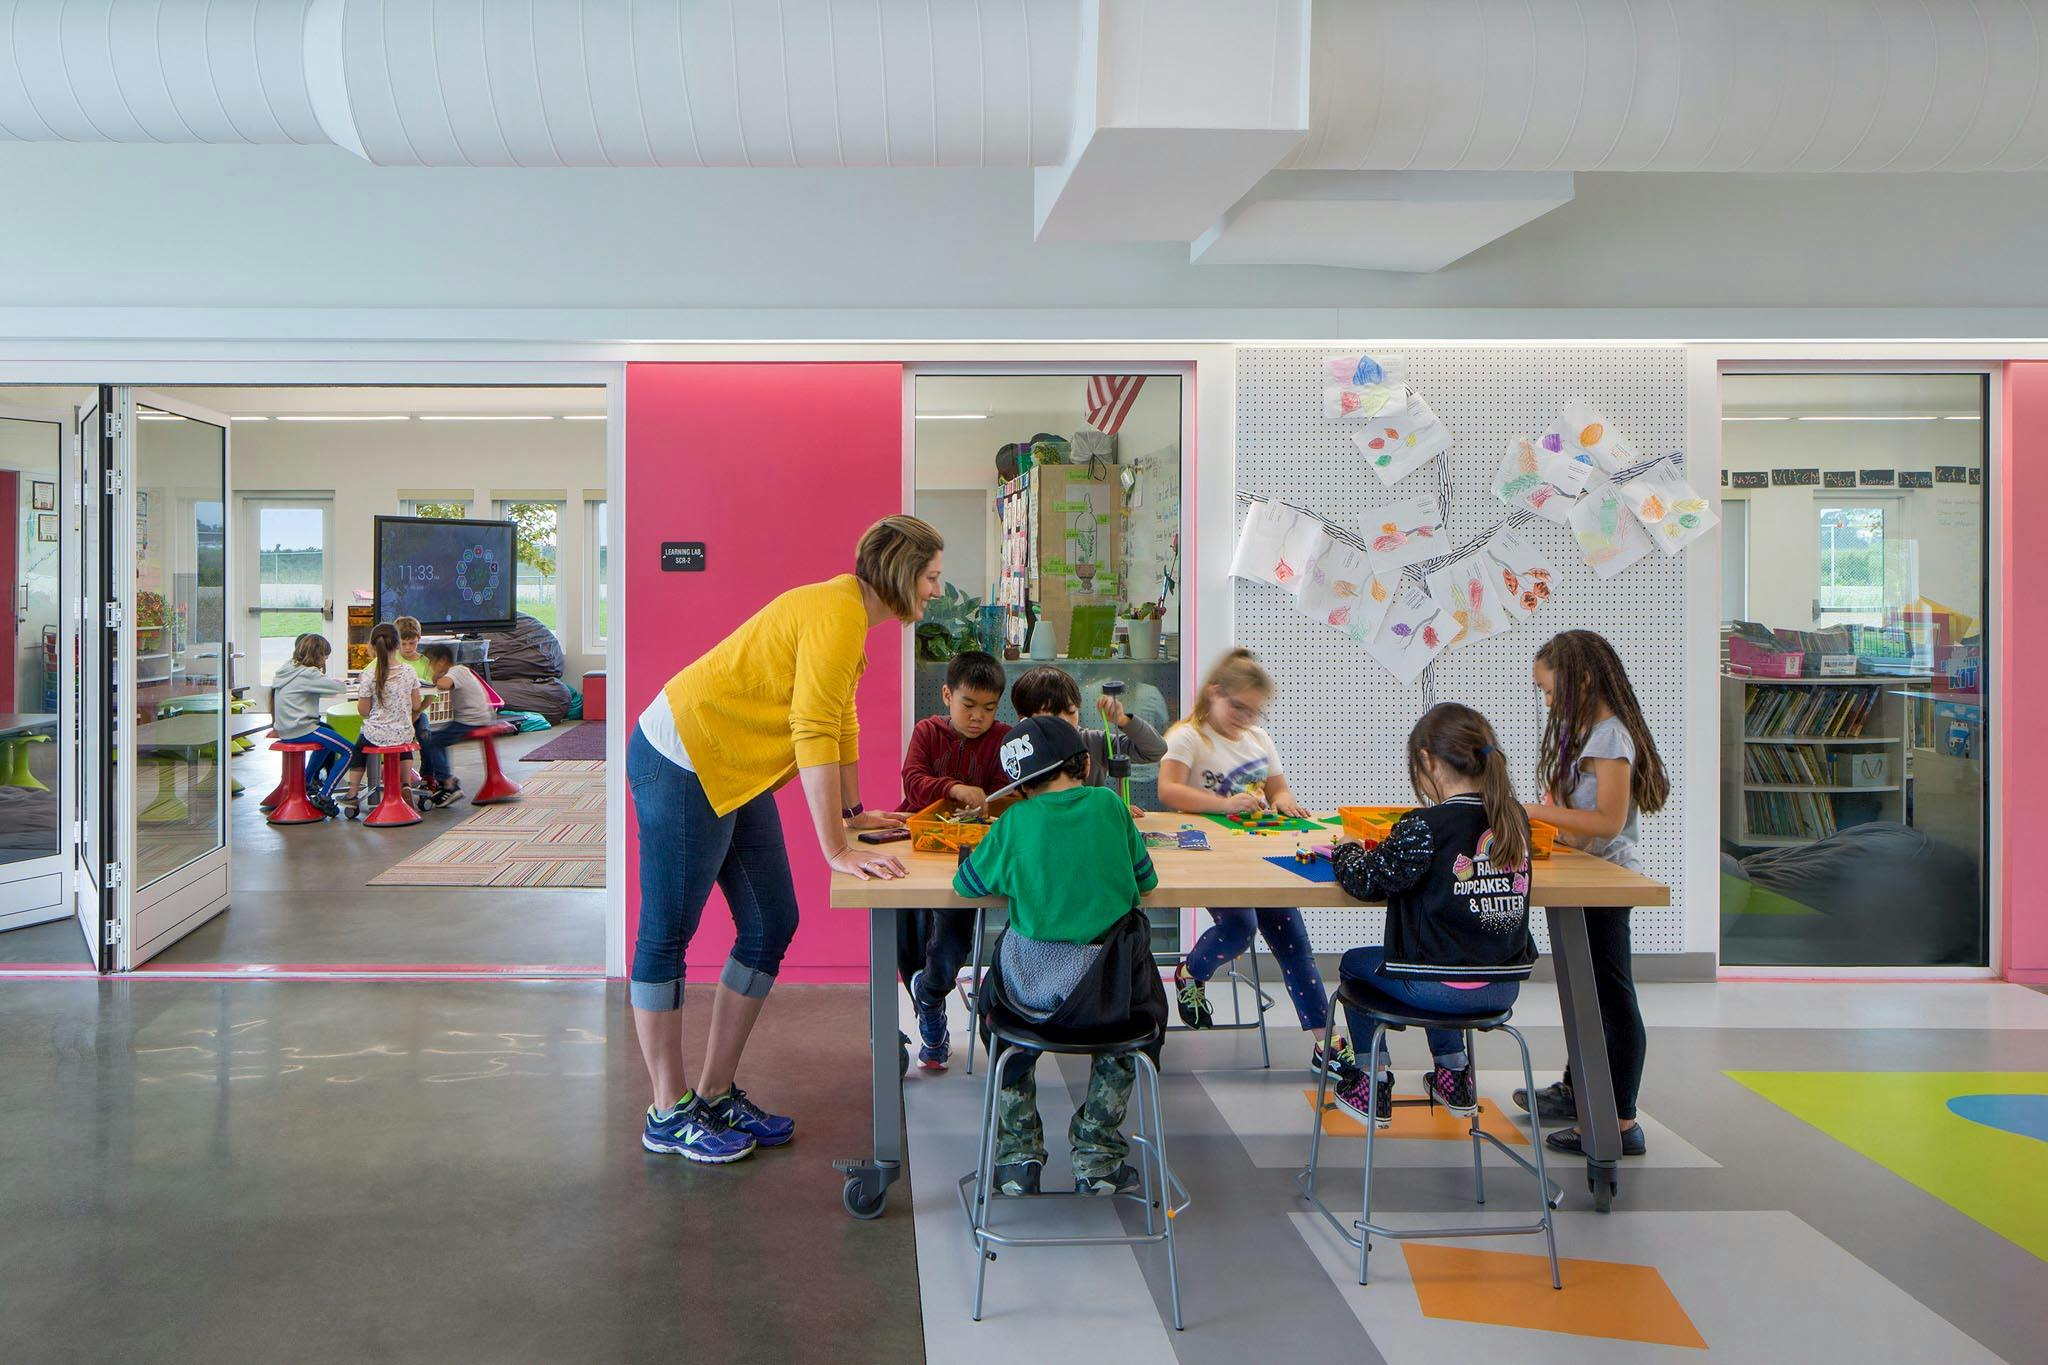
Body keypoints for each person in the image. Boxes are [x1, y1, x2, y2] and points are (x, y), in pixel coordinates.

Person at [628, 515, 938, 1164]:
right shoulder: (838, 611)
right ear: (903, 571)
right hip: (682, 755)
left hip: (735, 766)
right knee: (667, 931)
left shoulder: (848, 614)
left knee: (772, 919)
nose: (937, 590)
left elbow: (840, 719)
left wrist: (852, 813)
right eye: (932, 576)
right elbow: (811, 732)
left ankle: (713, 1092)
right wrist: (836, 848)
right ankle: (668, 1109)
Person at [953, 715, 1164, 1196]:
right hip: (1109, 996)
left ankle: (1018, 1156)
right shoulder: (1110, 806)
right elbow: (1146, 883)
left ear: (1019, 785)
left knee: (1001, 1031)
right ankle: (1098, 1157)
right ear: (1085, 764)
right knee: (1125, 1042)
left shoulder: (1014, 821)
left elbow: (967, 886)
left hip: (1029, 996)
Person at [1326, 703, 1535, 1127]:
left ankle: (1370, 1080)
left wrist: (1345, 847)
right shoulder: (1514, 820)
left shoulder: (1423, 825)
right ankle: (1454, 1072)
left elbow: (1367, 881)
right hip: (1501, 988)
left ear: (1425, 759)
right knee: (1444, 957)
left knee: (1355, 963)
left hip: (1436, 989)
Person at [1156, 648, 1344, 1078]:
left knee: (1294, 942)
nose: (1245, 718)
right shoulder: (1189, 736)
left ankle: (1327, 1042)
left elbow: (1280, 791)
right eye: (1237, 707)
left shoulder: (1260, 739)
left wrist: (1284, 803)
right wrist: (1224, 805)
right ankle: (1190, 973)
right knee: (1240, 926)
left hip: (1261, 856)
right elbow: (1169, 792)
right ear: (1213, 693)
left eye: (1254, 711)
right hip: (1210, 857)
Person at [1517, 629, 1670, 1157]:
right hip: (1580, 873)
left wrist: (1535, 812)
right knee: (1582, 990)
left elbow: (1606, 820)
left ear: (1582, 679)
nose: (1548, 701)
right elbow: (1572, 815)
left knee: (1608, 996)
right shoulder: (1581, 732)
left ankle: (1621, 1120)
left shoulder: (1609, 736)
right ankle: (1578, 1088)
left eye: (1551, 690)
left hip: (1606, 881)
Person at [896, 648, 1010, 1071]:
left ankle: (930, 994)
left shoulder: (1003, 738)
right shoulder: (927, 731)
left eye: (988, 708)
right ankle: (927, 1010)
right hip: (920, 847)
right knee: (909, 942)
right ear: (947, 695)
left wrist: (989, 801)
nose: (978, 716)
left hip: (969, 857)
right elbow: (913, 781)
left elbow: (1006, 792)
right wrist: (955, 788)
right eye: (968, 705)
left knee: (949, 946)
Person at [1009, 665, 1169, 813]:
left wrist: (1123, 720)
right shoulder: (1018, 752)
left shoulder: (1092, 742)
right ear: (1024, 718)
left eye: (1071, 712)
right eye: (1053, 715)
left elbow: (1155, 750)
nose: (1065, 721)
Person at [340, 623, 425, 820]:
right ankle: (404, 785)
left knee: (358, 748)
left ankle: (353, 793)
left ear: (372, 646)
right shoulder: (410, 671)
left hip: (377, 734)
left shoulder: (369, 674)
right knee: (402, 745)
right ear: (397, 645)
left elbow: (363, 710)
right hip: (404, 732)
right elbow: (415, 704)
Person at [270, 633, 351, 817]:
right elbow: (338, 688)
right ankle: (325, 796)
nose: (325, 661)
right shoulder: (309, 673)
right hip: (302, 728)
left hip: (286, 727)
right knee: (350, 751)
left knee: (326, 742)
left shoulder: (289, 668)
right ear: (318, 655)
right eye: (325, 656)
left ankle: (306, 782)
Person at [416, 642, 499, 809]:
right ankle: (444, 779)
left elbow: (444, 685)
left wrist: (430, 680)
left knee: (433, 742)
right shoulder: (459, 672)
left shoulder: (457, 671)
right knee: (437, 737)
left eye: (431, 663)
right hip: (474, 717)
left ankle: (448, 783)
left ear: (442, 661)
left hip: (471, 720)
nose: (430, 667)